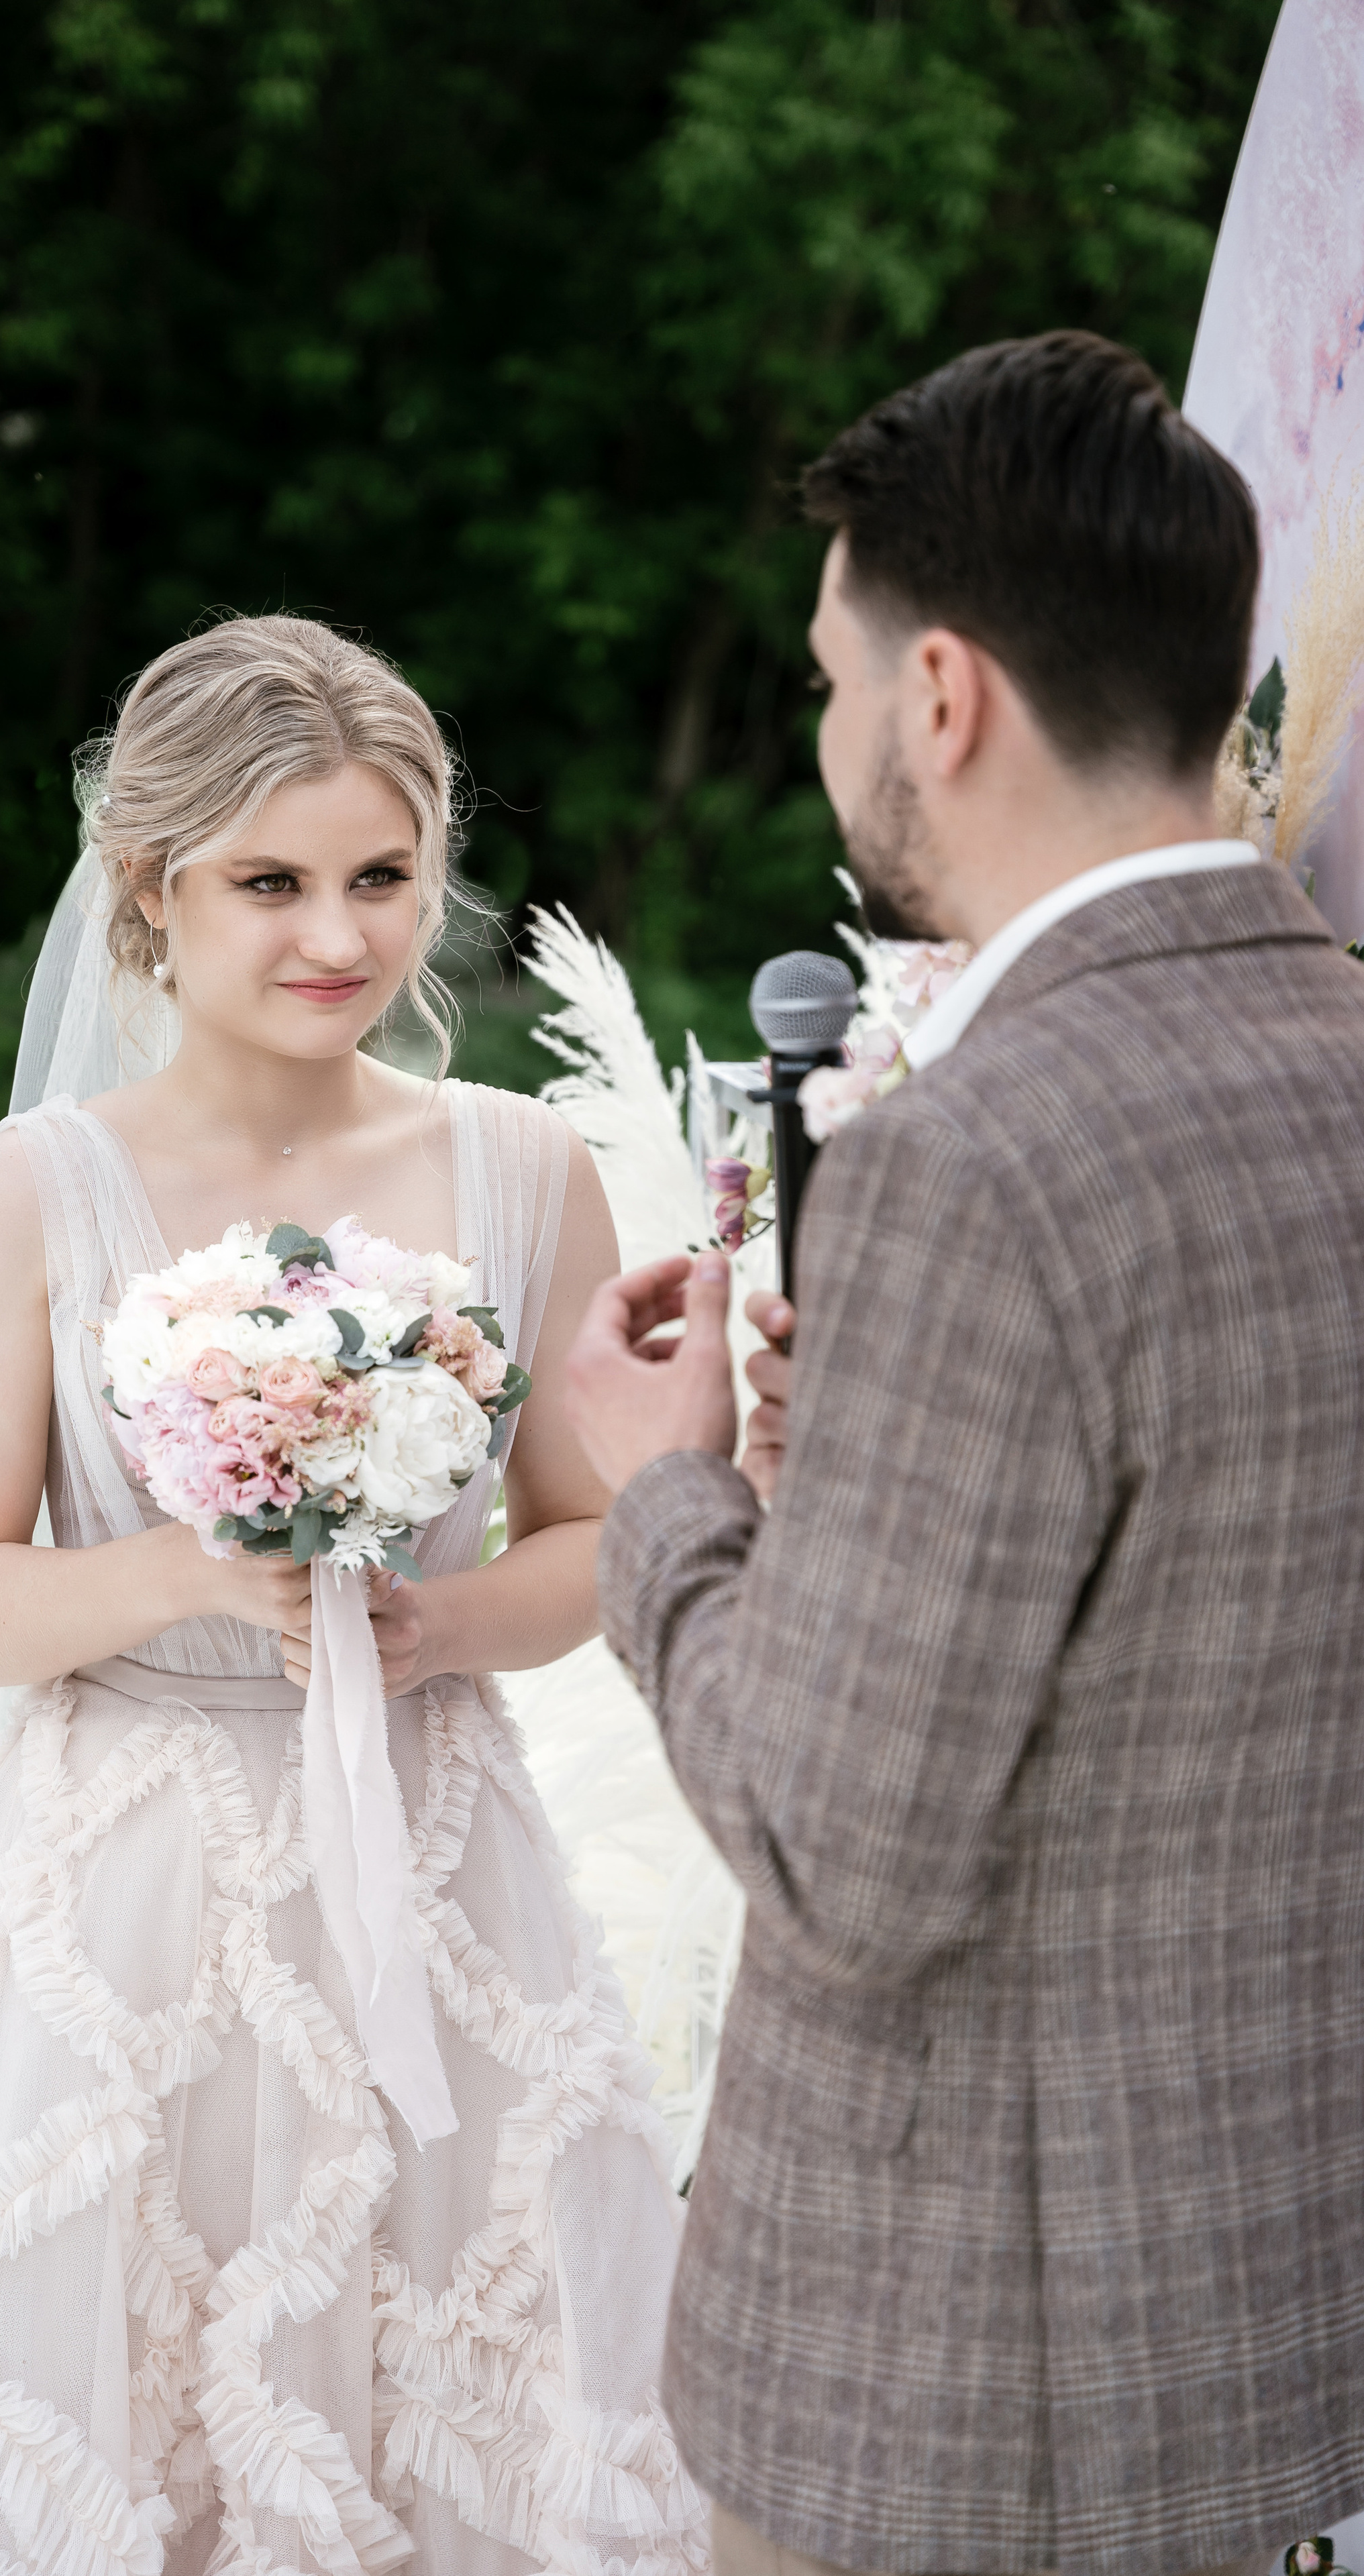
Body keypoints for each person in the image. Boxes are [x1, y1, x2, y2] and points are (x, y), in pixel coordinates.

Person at [0, 614, 706, 2575]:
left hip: (441, 1866)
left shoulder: (521, 1175)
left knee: (456, 2353)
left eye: (382, 878)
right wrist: (191, 1565)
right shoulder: (35, 1190)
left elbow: (598, 1545)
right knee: (122, 2384)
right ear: (150, 895)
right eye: (271, 884)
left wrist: (438, 1628)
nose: (337, 939)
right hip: (129, 1888)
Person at [564, 331, 1364, 2576]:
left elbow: (839, 1853)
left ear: (942, 698)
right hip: (1269, 2321)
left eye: (831, 680)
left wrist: (668, 1492)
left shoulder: (982, 1160)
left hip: (965, 2395)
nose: (832, 741)